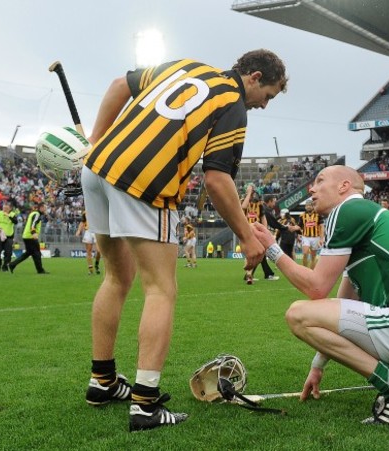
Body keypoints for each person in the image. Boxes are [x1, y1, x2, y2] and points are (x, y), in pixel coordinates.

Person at [79, 49, 287, 431]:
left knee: (116, 278)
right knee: (161, 289)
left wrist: (95, 140)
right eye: (268, 95)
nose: (264, 105)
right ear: (254, 77)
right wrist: (246, 237)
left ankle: (102, 382)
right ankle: (145, 405)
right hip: (144, 181)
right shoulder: (233, 102)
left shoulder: (185, 66)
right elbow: (218, 178)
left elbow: (117, 85)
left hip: (97, 169)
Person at [252, 165, 389, 425]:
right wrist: (318, 365)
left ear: (344, 186)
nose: (311, 189)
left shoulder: (347, 210)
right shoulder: (368, 217)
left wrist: (272, 249)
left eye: (320, 181)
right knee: (312, 314)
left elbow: (317, 288)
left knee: (296, 314)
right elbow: (336, 306)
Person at [242, 186, 278, 283]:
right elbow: (243, 207)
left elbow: (263, 218)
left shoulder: (259, 205)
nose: (253, 194)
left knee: (257, 253)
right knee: (250, 253)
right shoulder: (244, 201)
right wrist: (248, 194)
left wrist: (265, 231)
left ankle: (249, 274)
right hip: (245, 230)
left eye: (253, 192)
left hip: (256, 231)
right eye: (251, 193)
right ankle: (249, 274)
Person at [9, 203, 48, 274]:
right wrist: (33, 233)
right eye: (45, 207)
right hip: (30, 237)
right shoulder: (37, 214)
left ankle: (12, 264)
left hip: (27, 236)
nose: (46, 209)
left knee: (28, 253)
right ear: (41, 208)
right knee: (37, 253)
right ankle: (40, 270)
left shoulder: (33, 213)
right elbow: (33, 224)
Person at [0, 202, 19, 272]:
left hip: (9, 237)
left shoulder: (12, 214)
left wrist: (8, 216)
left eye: (6, 208)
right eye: (4, 208)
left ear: (10, 208)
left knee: (8, 253)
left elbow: (16, 222)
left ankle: (5, 266)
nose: (4, 209)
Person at [299, 201, 324, 269]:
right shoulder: (302, 216)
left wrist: (321, 238)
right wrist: (298, 234)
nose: (308, 207)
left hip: (316, 237)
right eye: (307, 205)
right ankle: (304, 270)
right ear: (305, 207)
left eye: (310, 205)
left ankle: (311, 271)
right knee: (305, 253)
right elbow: (299, 227)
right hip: (305, 237)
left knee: (313, 256)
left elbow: (322, 227)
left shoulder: (318, 215)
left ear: (313, 206)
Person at [76, 210, 101, 275]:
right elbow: (82, 222)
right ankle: (90, 269)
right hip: (88, 231)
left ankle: (96, 264)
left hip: (96, 231)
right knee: (88, 251)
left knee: (99, 251)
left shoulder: (98, 210)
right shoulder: (85, 212)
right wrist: (79, 230)